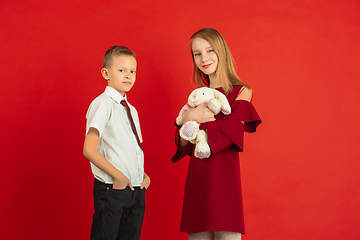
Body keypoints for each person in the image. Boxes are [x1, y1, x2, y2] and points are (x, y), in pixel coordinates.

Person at [171, 28, 261, 240]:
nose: (204, 58)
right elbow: (183, 144)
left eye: (209, 50)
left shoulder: (242, 91)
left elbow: (231, 134)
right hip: (198, 181)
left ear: (221, 51)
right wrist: (189, 117)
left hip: (225, 185)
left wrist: (195, 119)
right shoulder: (195, 98)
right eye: (197, 53)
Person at [83, 46, 150, 240]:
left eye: (132, 71)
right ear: (106, 73)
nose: (128, 75)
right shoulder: (103, 103)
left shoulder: (131, 110)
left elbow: (128, 149)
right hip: (113, 188)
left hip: (135, 189)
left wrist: (142, 176)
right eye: (121, 70)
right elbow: (89, 149)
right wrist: (119, 178)